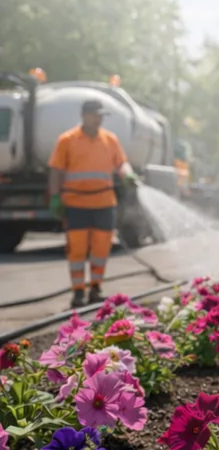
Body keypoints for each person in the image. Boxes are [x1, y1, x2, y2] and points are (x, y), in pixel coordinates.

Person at [47, 99, 138, 308]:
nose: (98, 120)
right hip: (76, 203)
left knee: (101, 248)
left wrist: (127, 175)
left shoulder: (110, 139)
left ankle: (96, 287)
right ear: (84, 116)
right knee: (77, 249)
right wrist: (55, 197)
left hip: (104, 203)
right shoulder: (67, 140)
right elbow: (56, 170)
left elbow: (121, 163)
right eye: (95, 115)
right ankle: (78, 291)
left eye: (101, 116)